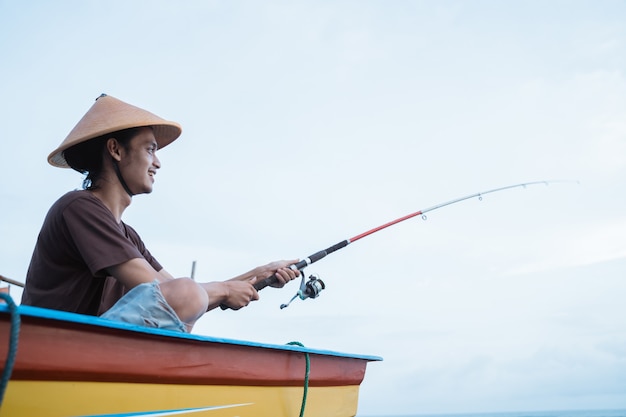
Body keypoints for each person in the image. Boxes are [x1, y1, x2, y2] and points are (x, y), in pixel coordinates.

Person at [21, 94, 299, 332]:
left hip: (89, 346)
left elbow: (174, 292)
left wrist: (259, 274)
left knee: (185, 294)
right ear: (115, 150)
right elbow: (178, 293)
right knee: (186, 293)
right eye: (150, 149)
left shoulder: (127, 235)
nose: (158, 163)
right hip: (46, 348)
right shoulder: (78, 208)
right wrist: (225, 291)